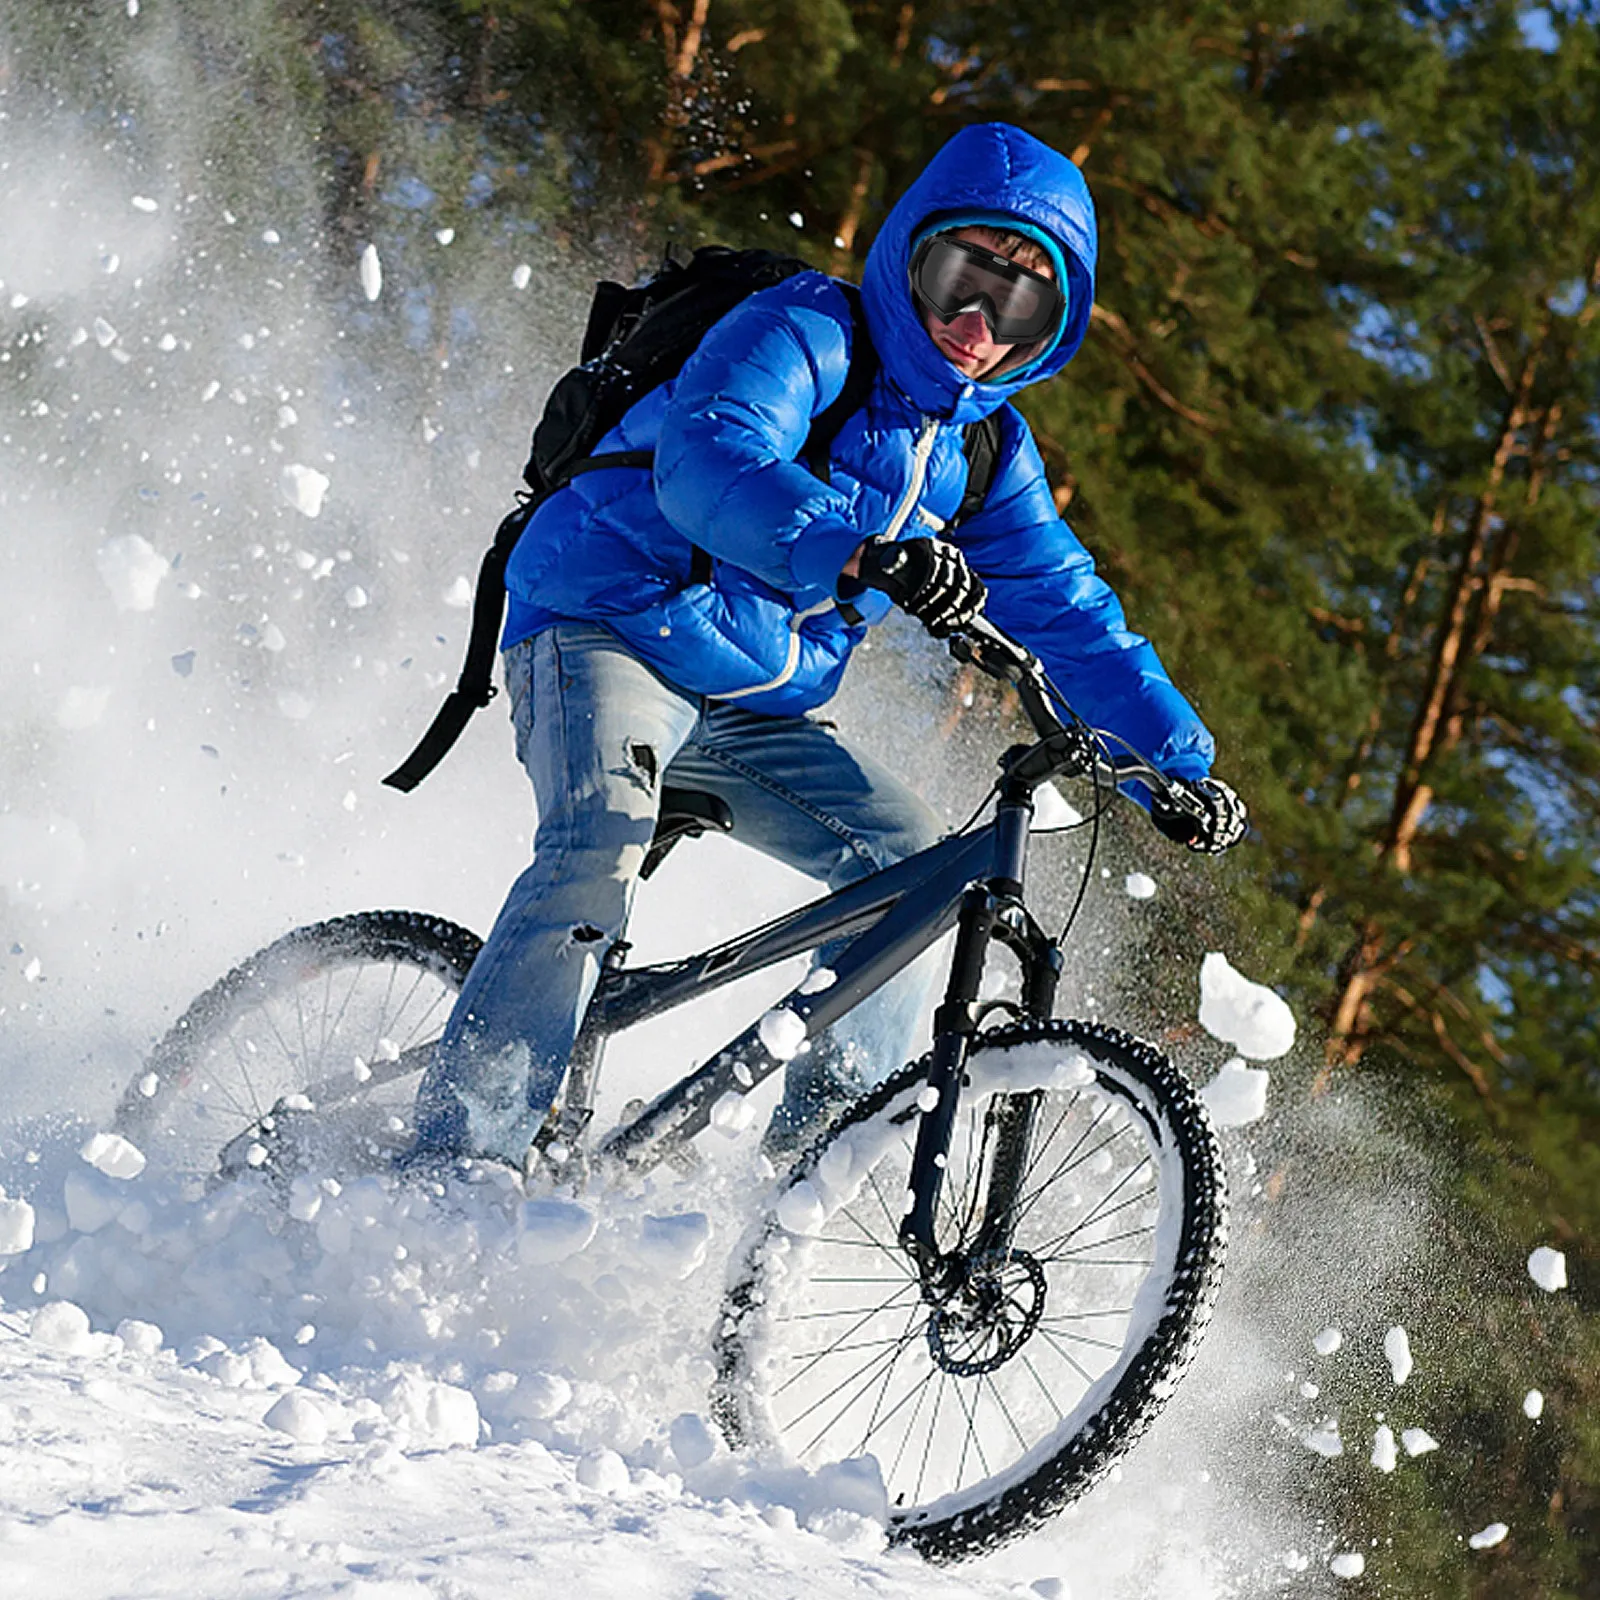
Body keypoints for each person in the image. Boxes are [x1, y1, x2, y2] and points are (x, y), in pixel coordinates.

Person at [409, 121, 1246, 1170]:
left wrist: (1172, 766)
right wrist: (860, 550)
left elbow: (1072, 614)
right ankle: (449, 1167)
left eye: (1019, 304)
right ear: (909, 259)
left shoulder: (983, 452)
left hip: (750, 702)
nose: (979, 322)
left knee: (915, 874)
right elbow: (709, 455)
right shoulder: (806, 328)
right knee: (595, 848)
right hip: (606, 623)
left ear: (1049, 330)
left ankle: (797, 1187)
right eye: (960, 278)